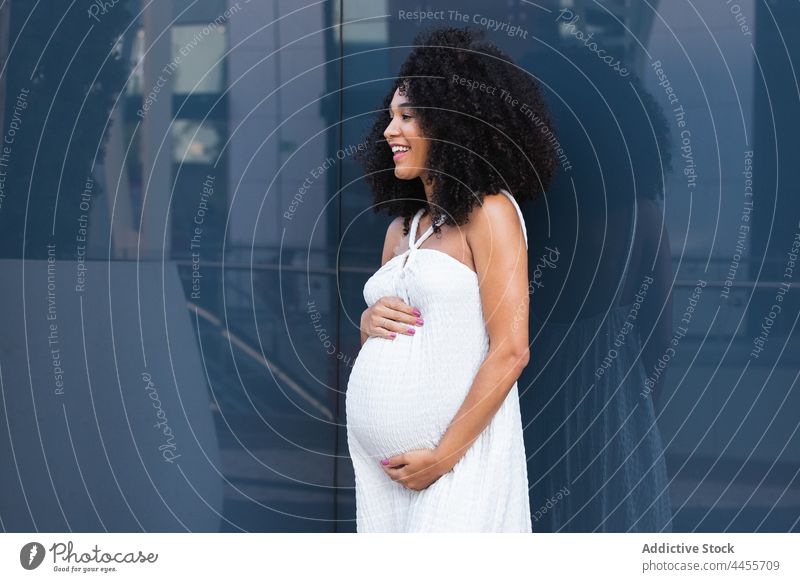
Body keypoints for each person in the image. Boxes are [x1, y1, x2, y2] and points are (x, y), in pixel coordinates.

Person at [346, 26, 559, 532]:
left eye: (408, 116)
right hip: (380, 475)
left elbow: (511, 350)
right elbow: (397, 335)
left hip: (456, 464)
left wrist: (443, 457)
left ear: (450, 121)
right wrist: (368, 320)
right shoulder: (404, 227)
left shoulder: (490, 213)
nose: (389, 131)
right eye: (391, 116)